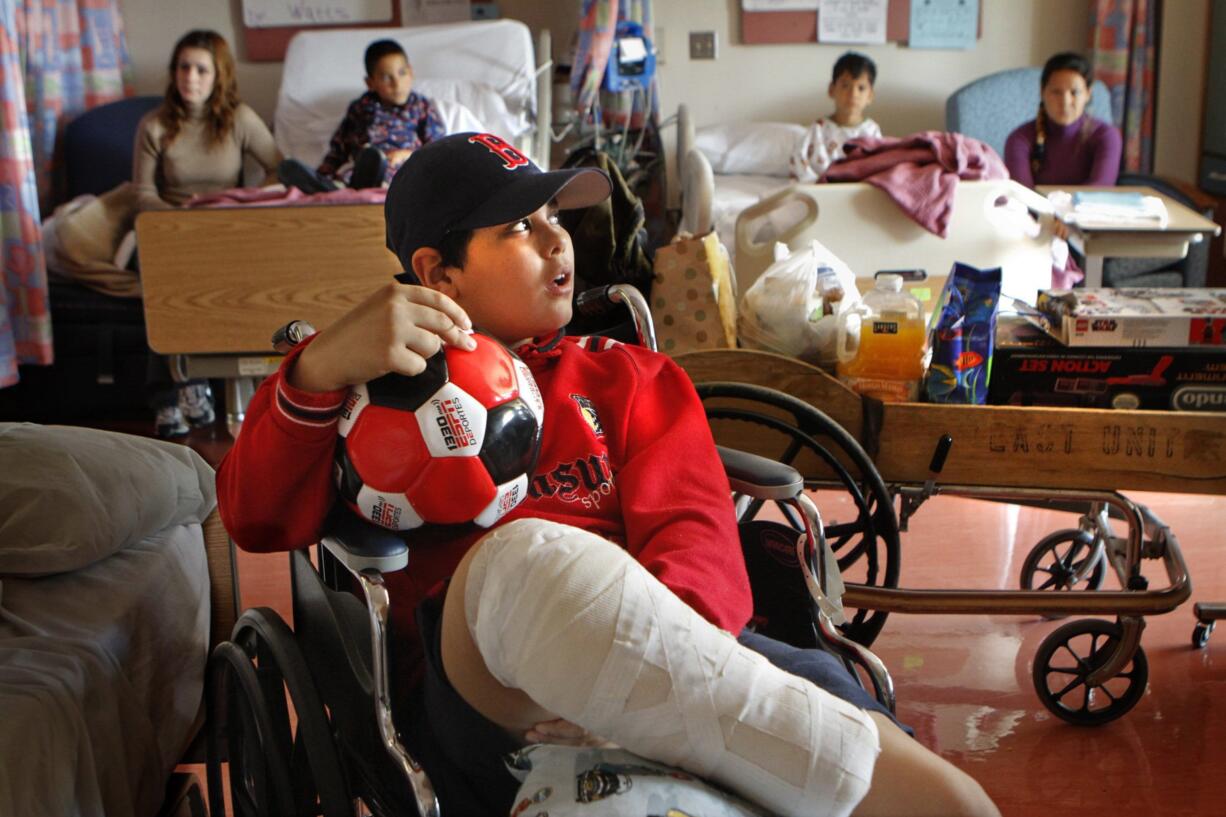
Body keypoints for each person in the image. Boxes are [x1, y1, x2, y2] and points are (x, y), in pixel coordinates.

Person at [217, 132, 999, 817]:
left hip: (687, 656)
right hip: (485, 698)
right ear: (438, 272)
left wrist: (646, 691)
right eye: (522, 226)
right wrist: (314, 370)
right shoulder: (368, 396)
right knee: (520, 563)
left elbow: (695, 536)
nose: (559, 242)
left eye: (556, 217)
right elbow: (256, 519)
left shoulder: (630, 378)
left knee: (896, 759)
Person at [133, 29, 282, 437]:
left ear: (219, 75)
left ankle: (238, 390)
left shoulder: (238, 119)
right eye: (183, 67)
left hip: (223, 228)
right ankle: (173, 391)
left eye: (201, 69)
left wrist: (246, 200)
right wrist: (180, 219)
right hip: (170, 227)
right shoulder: (155, 126)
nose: (190, 77)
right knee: (166, 284)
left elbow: (278, 168)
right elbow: (143, 193)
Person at [278, 39, 445, 193]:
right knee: (356, 168)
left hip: (401, 166)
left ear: (411, 72)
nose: (397, 83)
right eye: (386, 77)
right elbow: (339, 148)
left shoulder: (421, 106)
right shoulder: (361, 108)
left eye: (402, 73)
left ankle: (361, 185)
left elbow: (437, 149)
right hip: (361, 166)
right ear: (370, 83)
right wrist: (325, 172)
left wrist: (406, 154)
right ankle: (321, 186)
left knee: (383, 168)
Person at [1003, 52, 1122, 189]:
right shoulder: (1020, 139)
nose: (1065, 102)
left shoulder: (1106, 136)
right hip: (1035, 210)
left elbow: (1098, 189)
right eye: (1056, 92)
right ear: (1042, 92)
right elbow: (1023, 194)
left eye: (1074, 92)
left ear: (1088, 94)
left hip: (1087, 209)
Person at [790, 51, 882, 183]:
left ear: (870, 96)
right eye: (845, 86)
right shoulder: (818, 130)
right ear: (832, 90)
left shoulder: (872, 132)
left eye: (861, 88)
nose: (853, 94)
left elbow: (878, 170)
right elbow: (799, 164)